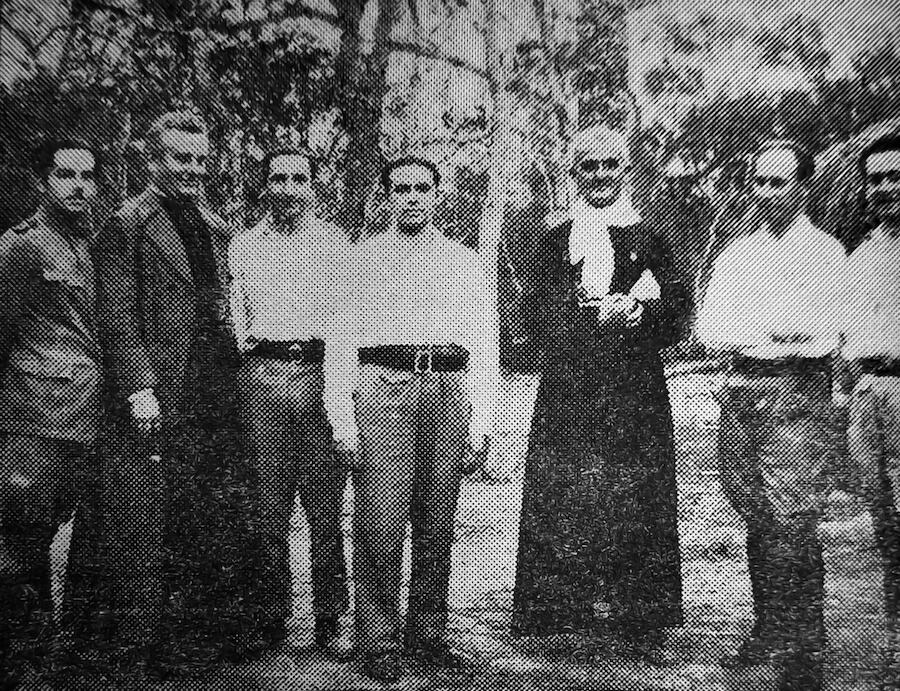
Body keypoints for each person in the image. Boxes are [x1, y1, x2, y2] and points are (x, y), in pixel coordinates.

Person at [91, 110, 264, 676]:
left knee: (207, 522)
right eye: (178, 159)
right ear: (153, 160)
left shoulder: (214, 227)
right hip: (160, 398)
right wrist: (140, 387)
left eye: (198, 160)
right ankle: (134, 653)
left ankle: (197, 647)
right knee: (146, 526)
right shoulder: (126, 225)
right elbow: (118, 318)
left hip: (215, 397)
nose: (190, 169)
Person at [511, 125, 688, 662]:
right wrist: (592, 315)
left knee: (636, 492)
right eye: (589, 166)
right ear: (573, 171)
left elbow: (679, 315)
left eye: (611, 164)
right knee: (570, 489)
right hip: (570, 387)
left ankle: (642, 619)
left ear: (626, 168)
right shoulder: (552, 240)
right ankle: (562, 614)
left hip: (635, 389)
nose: (601, 175)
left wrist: (639, 311)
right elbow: (535, 316)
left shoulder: (652, 237)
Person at [329, 156, 499, 683]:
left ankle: (426, 633)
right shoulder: (361, 260)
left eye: (422, 188)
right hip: (384, 389)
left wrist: (483, 422)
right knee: (380, 521)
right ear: (386, 196)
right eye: (400, 189)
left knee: (437, 518)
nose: (412, 198)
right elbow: (339, 343)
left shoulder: (465, 261)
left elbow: (484, 344)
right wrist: (342, 419)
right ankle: (376, 640)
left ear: (439, 194)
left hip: (448, 389)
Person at [695, 139, 847, 688]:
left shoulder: (828, 254)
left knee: (792, 518)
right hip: (741, 395)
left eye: (779, 182)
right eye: (759, 181)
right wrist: (772, 334)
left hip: (796, 396)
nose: (766, 192)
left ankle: (805, 648)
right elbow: (710, 328)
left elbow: (827, 334)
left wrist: (771, 337)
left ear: (804, 188)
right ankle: (770, 626)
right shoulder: (737, 254)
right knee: (753, 510)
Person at [228, 148, 351, 657]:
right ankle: (268, 617)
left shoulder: (336, 245)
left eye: (299, 179)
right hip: (263, 376)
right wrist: (252, 362)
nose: (289, 188)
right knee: (266, 507)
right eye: (279, 179)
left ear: (312, 186)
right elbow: (235, 318)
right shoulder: (243, 245)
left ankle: (331, 618)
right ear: (266, 186)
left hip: (321, 375)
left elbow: (349, 320)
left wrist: (338, 389)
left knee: (325, 507)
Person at [0, 139, 102, 686]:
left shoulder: (90, 245)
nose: (79, 186)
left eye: (88, 176)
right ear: (43, 181)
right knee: (20, 543)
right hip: (35, 420)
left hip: (85, 418)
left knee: (65, 540)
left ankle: (47, 656)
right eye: (66, 175)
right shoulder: (21, 247)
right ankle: (21, 668)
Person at [844, 133, 900, 686]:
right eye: (875, 179)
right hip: (869, 397)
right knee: (886, 525)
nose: (885, 188)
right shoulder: (862, 253)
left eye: (895, 177)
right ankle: (895, 639)